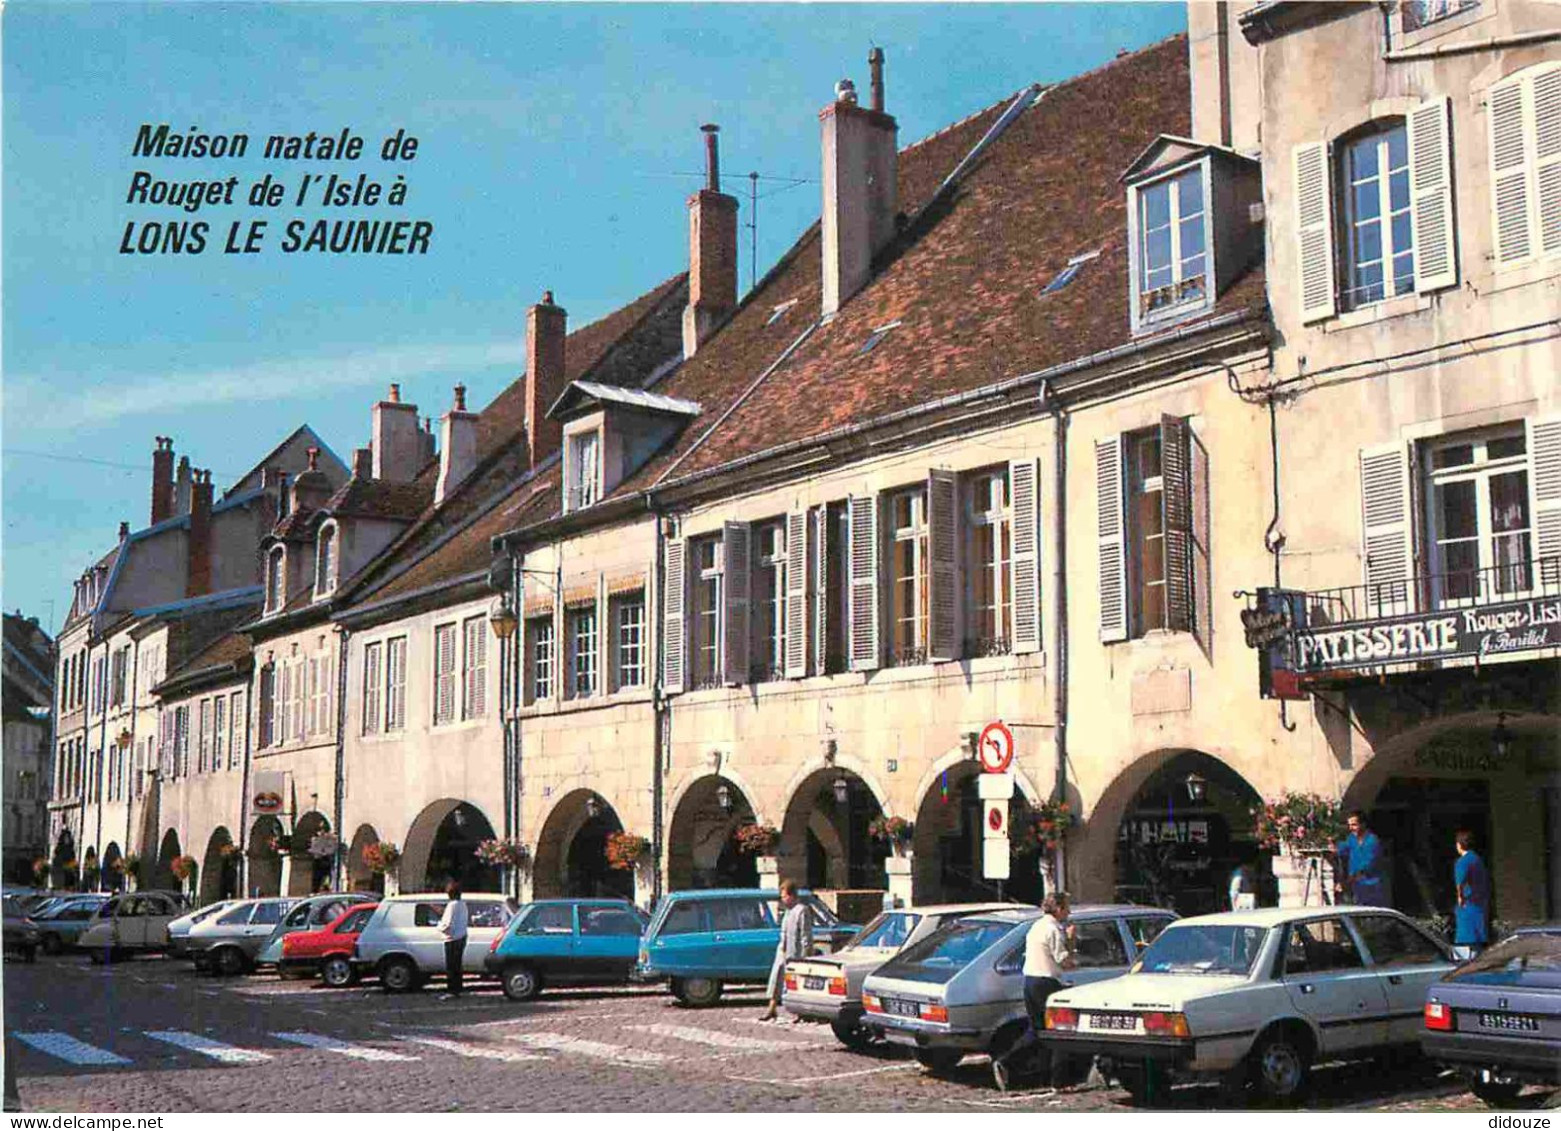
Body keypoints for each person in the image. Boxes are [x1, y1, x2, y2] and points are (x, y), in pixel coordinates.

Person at [992, 892, 1076, 1092]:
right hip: (1047, 982)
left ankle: (1006, 1060)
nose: (1069, 912)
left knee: (1036, 1030)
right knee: (1058, 1032)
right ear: (1058, 909)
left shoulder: (1036, 926)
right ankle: (1059, 1081)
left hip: (1030, 980)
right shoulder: (1054, 930)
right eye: (1066, 907)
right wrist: (1071, 942)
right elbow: (1064, 961)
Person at [760, 880, 812, 1022]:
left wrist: (805, 956)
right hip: (782, 951)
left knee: (795, 984)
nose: (782, 899)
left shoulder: (802, 910)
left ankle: (800, 1012)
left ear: (792, 895)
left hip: (795, 954)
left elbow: (805, 936)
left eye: (784, 896)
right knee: (776, 980)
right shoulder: (787, 912)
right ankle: (772, 1008)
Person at [1453, 829, 1490, 961]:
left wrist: (1460, 898)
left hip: (1468, 906)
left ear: (1459, 844)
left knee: (1465, 945)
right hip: (1480, 906)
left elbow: (1460, 883)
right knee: (1478, 943)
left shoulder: (1462, 862)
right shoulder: (1477, 860)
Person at [1336, 811, 1388, 906]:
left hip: (1371, 886)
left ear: (1363, 824)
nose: (1351, 828)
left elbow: (1367, 865)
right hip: (1357, 886)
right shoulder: (1352, 839)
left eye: (1354, 825)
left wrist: (1347, 882)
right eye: (1349, 825)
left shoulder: (1372, 841)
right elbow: (1342, 849)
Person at [436, 881, 469, 999]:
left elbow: (447, 924)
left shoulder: (452, 905)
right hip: (462, 937)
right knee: (457, 965)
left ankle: (451, 991)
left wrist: (438, 927)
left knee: (451, 966)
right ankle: (458, 989)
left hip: (451, 939)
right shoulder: (463, 904)